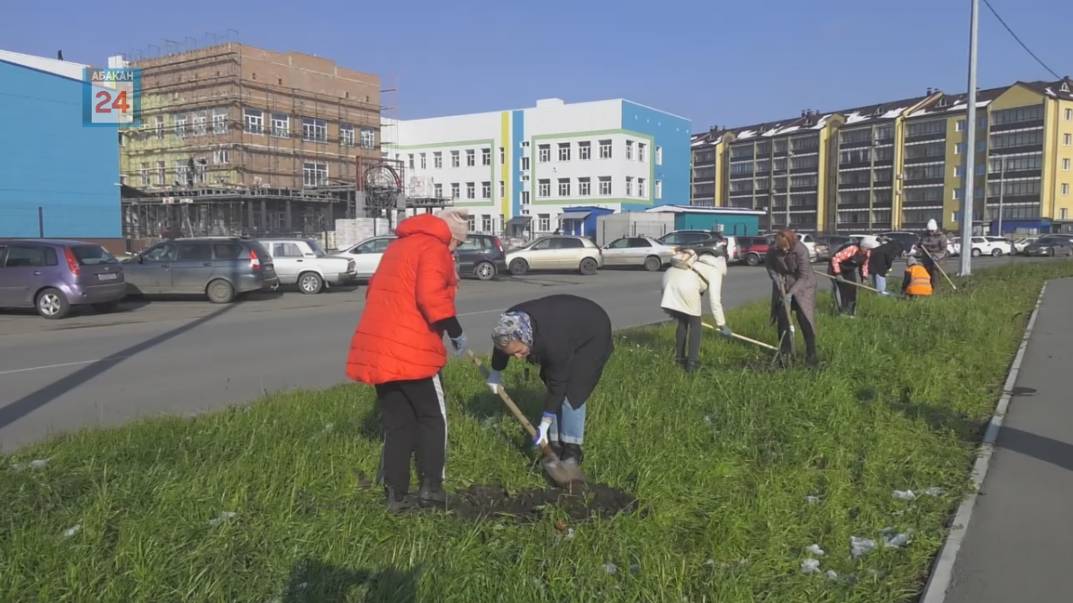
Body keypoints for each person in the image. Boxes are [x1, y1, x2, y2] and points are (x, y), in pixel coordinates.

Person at [345, 208, 471, 512]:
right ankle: (432, 489)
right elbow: (430, 296)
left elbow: (374, 291)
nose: (457, 249)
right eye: (459, 244)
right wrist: (455, 331)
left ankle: (396, 495)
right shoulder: (435, 248)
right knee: (432, 418)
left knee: (398, 422)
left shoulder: (397, 246)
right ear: (451, 236)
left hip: (379, 348)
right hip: (413, 350)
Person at [485, 295, 613, 466]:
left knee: (573, 391)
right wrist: (496, 371)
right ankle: (554, 446)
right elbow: (502, 348)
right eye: (512, 353)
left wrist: (544, 422)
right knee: (552, 384)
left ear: (526, 338)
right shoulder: (508, 325)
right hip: (563, 325)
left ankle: (572, 449)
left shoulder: (552, 341)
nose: (517, 357)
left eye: (519, 351)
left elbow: (558, 384)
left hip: (592, 332)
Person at [659, 247, 729, 372]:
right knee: (696, 325)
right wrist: (721, 324)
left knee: (682, 321)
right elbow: (715, 300)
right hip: (686, 286)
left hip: (668, 278)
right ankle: (692, 364)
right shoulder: (715, 270)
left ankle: (679, 358)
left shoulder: (695, 261)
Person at [765, 229, 818, 366]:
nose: (783, 250)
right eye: (780, 247)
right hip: (783, 284)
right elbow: (770, 266)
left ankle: (811, 354)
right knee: (783, 319)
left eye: (785, 247)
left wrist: (791, 294)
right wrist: (776, 279)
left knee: (805, 318)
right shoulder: (773, 249)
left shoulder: (801, 250)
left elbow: (803, 276)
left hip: (804, 286)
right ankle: (785, 354)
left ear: (791, 242)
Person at [829, 237, 875, 316]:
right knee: (841, 290)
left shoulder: (867, 253)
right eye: (867, 249)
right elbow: (835, 259)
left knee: (852, 289)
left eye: (870, 249)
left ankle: (851, 312)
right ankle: (841, 311)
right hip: (836, 269)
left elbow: (864, 265)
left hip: (849, 270)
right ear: (862, 247)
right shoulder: (852, 249)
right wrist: (838, 274)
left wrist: (864, 278)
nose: (869, 251)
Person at [919, 219, 949, 289]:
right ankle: (926, 289)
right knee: (926, 274)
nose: (931, 233)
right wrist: (919, 244)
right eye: (929, 231)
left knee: (935, 274)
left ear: (935, 229)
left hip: (938, 259)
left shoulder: (942, 237)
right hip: (926, 258)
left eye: (932, 231)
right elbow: (921, 244)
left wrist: (937, 256)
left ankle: (936, 290)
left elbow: (943, 250)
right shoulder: (924, 236)